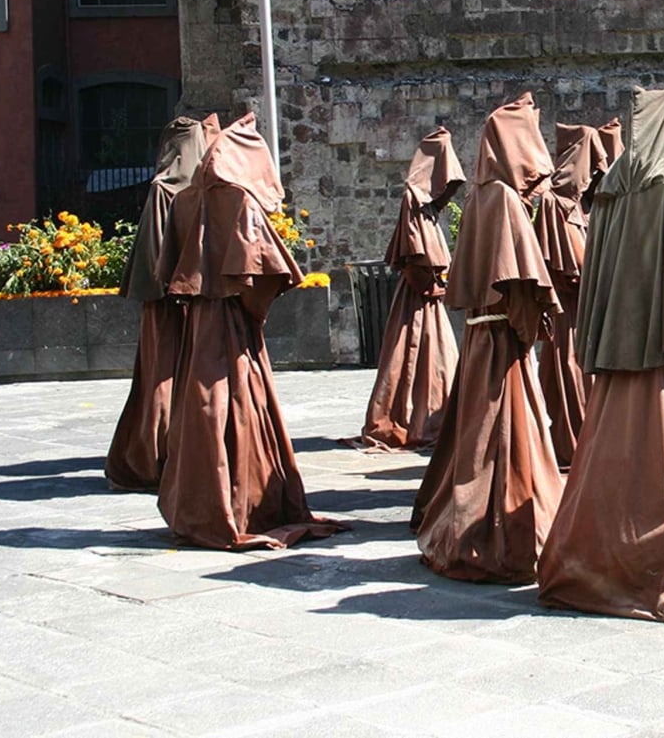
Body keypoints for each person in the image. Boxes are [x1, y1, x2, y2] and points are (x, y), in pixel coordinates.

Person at [537, 87, 664, 623]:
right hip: (661, 363)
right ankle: (659, 569)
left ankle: (601, 563)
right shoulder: (663, 193)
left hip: (614, 361)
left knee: (611, 463)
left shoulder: (609, 191)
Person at [156, 113, 342, 549]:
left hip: (198, 323)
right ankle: (241, 504)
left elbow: (172, 270)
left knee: (202, 407)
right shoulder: (238, 201)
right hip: (232, 323)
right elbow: (261, 274)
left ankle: (197, 503)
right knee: (237, 404)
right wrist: (252, 314)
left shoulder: (185, 199)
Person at [410, 93, 563, 583]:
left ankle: (466, 521)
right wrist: (533, 323)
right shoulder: (504, 200)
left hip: (482, 339)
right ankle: (497, 530)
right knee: (502, 434)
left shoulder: (482, 196)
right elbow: (518, 283)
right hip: (501, 343)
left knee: (478, 433)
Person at [105, 113, 219, 491]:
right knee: (180, 378)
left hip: (167, 302)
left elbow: (153, 259)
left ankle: (159, 456)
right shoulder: (199, 189)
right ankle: (174, 455)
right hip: (188, 301)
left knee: (163, 376)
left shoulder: (166, 189)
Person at [344, 127, 466, 451]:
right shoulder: (414, 199)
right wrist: (430, 281)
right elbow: (414, 252)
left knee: (436, 357)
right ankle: (411, 417)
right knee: (414, 352)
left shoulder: (428, 208)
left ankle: (435, 413)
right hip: (418, 297)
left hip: (428, 298)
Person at [534, 123, 610, 467]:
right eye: (589, 167)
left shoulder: (584, 206)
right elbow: (558, 264)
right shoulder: (553, 204)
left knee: (589, 379)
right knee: (568, 373)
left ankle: (592, 443)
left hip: (588, 311)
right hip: (567, 312)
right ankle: (571, 444)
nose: (593, 175)